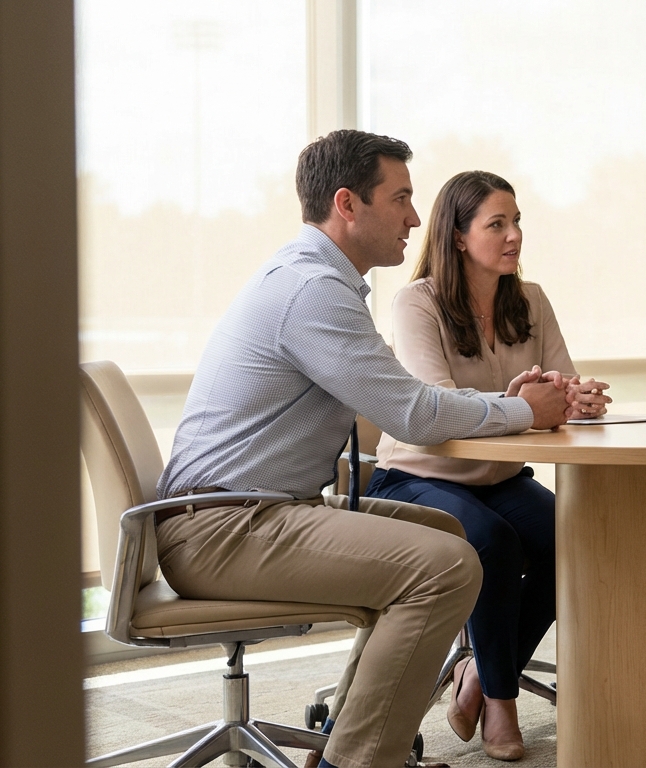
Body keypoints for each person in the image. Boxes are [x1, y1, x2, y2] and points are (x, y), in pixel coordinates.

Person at [154, 130, 571, 768]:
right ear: (347, 205)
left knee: (441, 538)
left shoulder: (318, 282)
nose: (413, 216)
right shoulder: (312, 292)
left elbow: (403, 403)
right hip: (224, 527)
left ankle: (353, 748)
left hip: (255, 512)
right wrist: (520, 409)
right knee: (447, 564)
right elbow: (412, 410)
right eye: (400, 198)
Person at [365, 170, 610, 760]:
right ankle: (500, 702)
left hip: (498, 477)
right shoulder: (416, 302)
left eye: (517, 220)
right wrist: (520, 404)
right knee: (494, 544)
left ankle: (476, 673)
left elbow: (560, 383)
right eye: (496, 224)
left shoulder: (530, 300)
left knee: (579, 540)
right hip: (417, 477)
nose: (514, 235)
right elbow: (436, 407)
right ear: (456, 236)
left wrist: (576, 398)